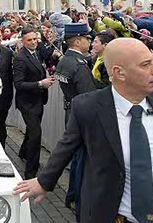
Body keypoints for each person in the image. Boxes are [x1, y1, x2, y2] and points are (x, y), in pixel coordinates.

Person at [14, 38, 153, 223]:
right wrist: (44, 181)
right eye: (146, 65)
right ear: (119, 73)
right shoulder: (89, 107)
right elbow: (66, 146)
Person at [53, 22, 96, 210]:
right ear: (78, 41)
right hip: (81, 116)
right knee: (81, 159)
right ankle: (77, 199)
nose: (89, 41)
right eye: (87, 38)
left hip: (71, 111)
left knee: (77, 157)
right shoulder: (78, 65)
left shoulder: (65, 61)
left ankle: (72, 195)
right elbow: (89, 96)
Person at [12, 27, 55, 178]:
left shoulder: (35, 53)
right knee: (36, 135)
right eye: (29, 40)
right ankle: (31, 173)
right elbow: (19, 84)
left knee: (32, 131)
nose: (33, 42)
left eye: (35, 39)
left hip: (38, 100)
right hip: (27, 103)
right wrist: (40, 83)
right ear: (23, 41)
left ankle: (23, 153)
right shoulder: (20, 58)